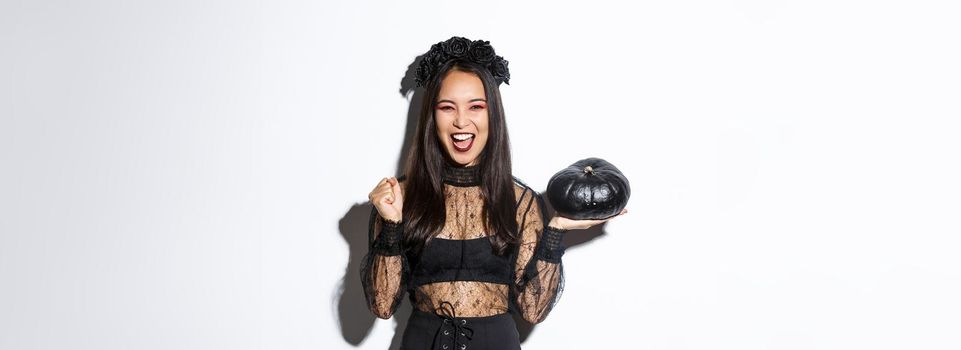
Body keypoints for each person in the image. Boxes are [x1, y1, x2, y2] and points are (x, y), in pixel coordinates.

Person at [360, 36, 627, 350]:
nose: (461, 121)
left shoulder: (521, 202)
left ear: (492, 115)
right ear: (432, 118)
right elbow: (382, 306)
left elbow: (533, 310)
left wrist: (554, 232)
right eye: (447, 107)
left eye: (476, 106)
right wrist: (391, 225)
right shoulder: (401, 197)